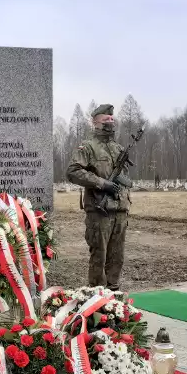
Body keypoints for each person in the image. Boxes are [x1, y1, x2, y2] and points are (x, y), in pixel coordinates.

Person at [66, 103, 131, 291]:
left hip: (120, 211)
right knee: (99, 256)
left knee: (117, 257)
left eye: (111, 119)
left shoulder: (118, 149)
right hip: (99, 211)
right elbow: (73, 172)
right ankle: (97, 297)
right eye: (105, 119)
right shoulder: (87, 147)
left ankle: (114, 296)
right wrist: (103, 183)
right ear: (95, 123)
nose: (110, 122)